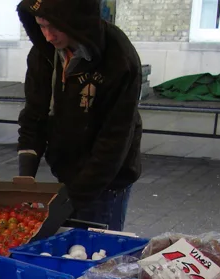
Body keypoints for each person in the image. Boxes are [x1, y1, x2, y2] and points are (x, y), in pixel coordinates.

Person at [17, 0, 142, 231]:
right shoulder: (43, 54)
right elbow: (34, 114)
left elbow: (115, 138)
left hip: (107, 180)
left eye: (55, 27)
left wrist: (74, 198)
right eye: (41, 26)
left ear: (75, 21)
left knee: (96, 247)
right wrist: (25, 179)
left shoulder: (118, 58)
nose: (48, 36)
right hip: (67, 170)